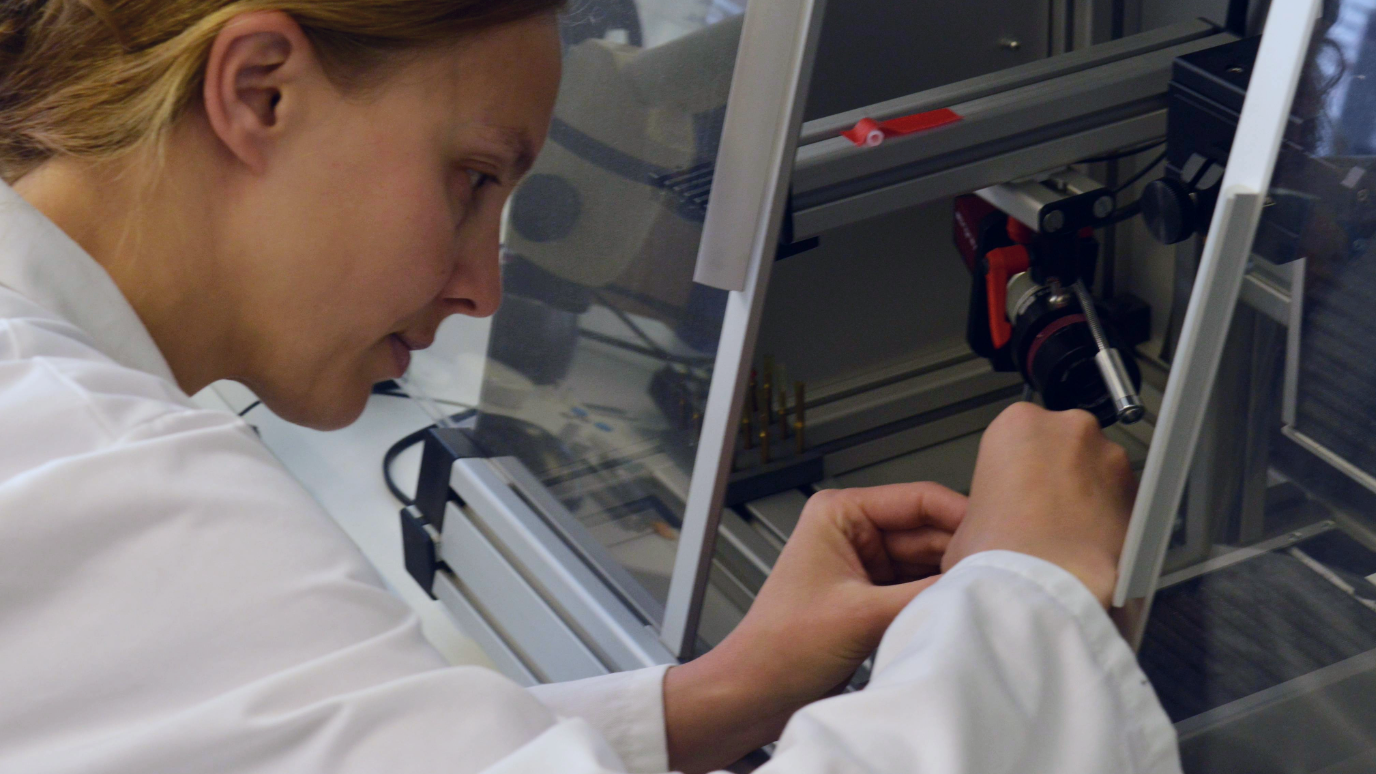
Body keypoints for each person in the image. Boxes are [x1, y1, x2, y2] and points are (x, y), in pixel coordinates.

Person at [0, 1, 1181, 772]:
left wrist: (706, 700)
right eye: (471, 179)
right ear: (260, 89)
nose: (481, 289)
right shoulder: (98, 478)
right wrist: (1032, 596)